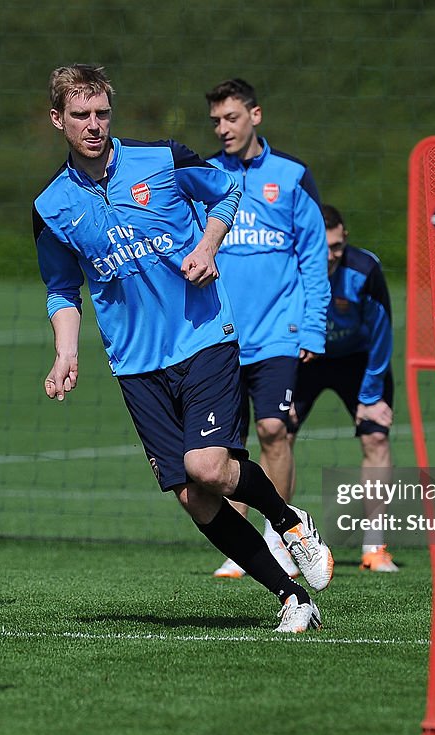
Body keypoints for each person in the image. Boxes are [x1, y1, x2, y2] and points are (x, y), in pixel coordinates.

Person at [34, 64, 333, 633]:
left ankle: (290, 523)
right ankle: (292, 597)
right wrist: (66, 352)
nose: (94, 125)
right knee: (195, 500)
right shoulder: (51, 206)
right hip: (135, 364)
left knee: (208, 467)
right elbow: (61, 289)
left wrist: (208, 245)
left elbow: (227, 192)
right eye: (81, 115)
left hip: (202, 337)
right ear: (58, 120)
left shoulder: (161, 159)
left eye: (102, 113)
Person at [202, 78, 330, 579]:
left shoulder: (292, 176)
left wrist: (312, 331)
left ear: (255, 115)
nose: (222, 128)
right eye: (215, 121)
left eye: (230, 118)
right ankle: (240, 550)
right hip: (219, 333)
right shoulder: (207, 174)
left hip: (280, 331)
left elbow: (313, 258)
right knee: (223, 447)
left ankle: (283, 539)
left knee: (274, 430)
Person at [288, 204, 398, 572]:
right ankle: (278, 544)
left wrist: (369, 395)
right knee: (276, 434)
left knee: (376, 438)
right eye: (322, 246)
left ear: (345, 239)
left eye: (336, 247)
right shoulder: (291, 265)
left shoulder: (365, 269)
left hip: (359, 362)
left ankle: (374, 547)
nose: (329, 256)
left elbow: (382, 331)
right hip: (306, 359)